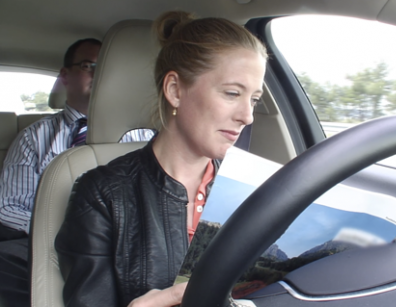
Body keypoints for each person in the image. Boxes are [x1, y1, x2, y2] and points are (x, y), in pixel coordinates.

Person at [54, 10, 267, 307]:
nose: (247, 116)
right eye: (232, 93)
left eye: (254, 99)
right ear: (175, 90)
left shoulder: (251, 190)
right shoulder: (103, 195)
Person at [0, 38, 153, 306]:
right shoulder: (34, 137)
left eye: (104, 67)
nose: (98, 74)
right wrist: (65, 233)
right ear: (65, 75)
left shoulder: (148, 138)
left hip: (131, 244)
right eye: (88, 66)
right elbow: (10, 207)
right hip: (46, 243)